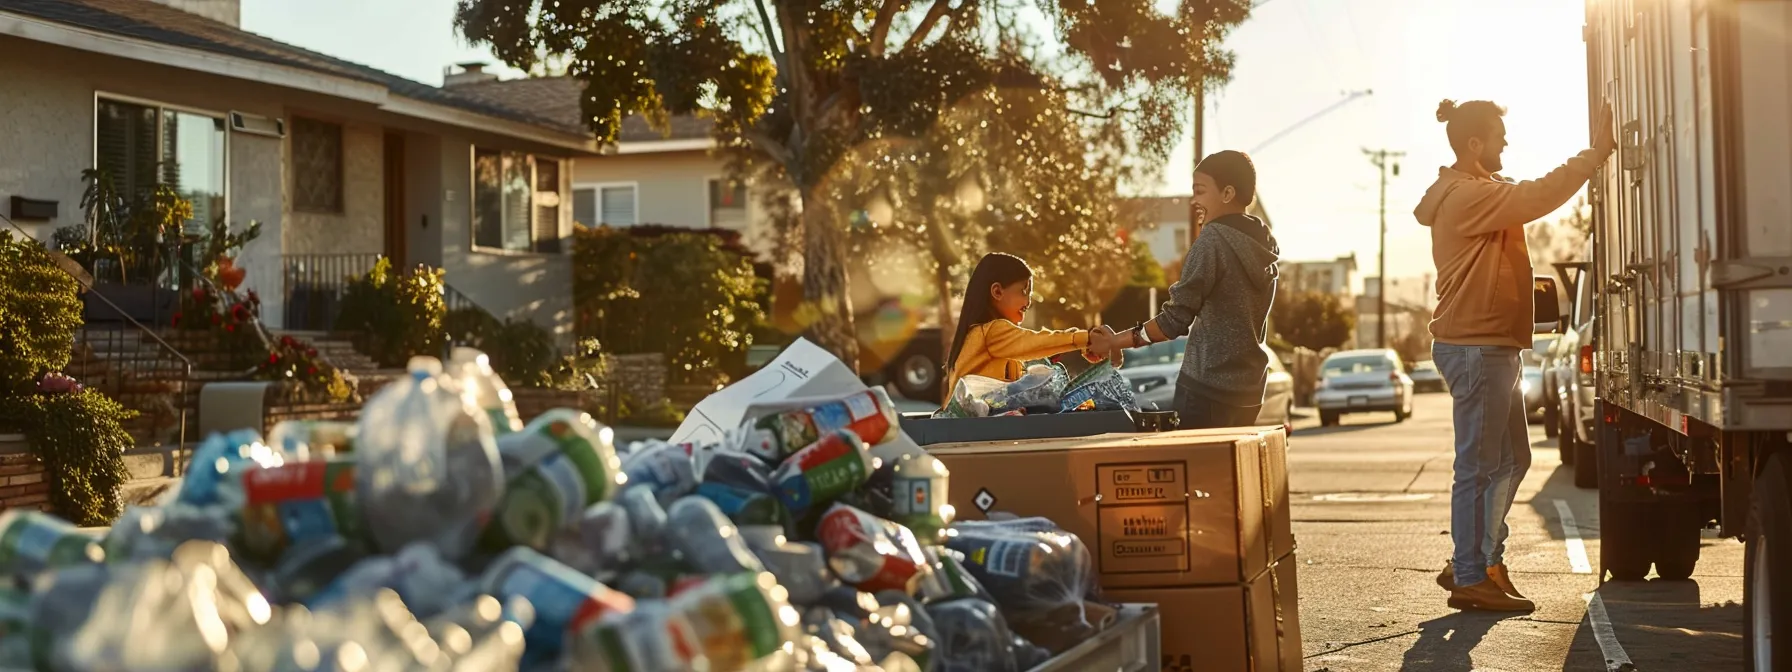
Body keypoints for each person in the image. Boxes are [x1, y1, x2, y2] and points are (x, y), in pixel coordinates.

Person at [1415, 98, 1614, 612]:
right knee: (1478, 466)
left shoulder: (1481, 191)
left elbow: (1524, 194)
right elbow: (1540, 194)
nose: (1507, 143)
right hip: (1475, 346)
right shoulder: (1466, 196)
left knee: (1512, 459)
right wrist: (1594, 154)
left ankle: (1480, 558)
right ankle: (1468, 573)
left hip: (1492, 345)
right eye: (1499, 136)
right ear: (1475, 144)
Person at [1113, 150, 1281, 429]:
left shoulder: (1212, 241)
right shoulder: (1264, 247)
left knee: (1197, 470)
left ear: (1227, 193)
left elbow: (1173, 321)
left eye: (1200, 191)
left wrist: (1115, 342)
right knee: (1229, 469)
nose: (1195, 201)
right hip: (1249, 389)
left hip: (1205, 387)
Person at [943, 253, 1118, 395]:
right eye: (1024, 291)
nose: (1028, 302)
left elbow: (1034, 351)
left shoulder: (987, 337)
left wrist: (1078, 344)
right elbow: (1034, 342)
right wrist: (1083, 338)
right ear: (997, 291)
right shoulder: (992, 332)